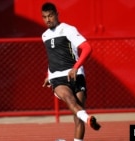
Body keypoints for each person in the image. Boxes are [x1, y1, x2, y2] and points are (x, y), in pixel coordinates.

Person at [41, 2, 101, 141]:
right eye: (44, 17)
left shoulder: (68, 29)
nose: (48, 19)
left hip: (76, 74)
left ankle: (85, 120)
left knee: (77, 117)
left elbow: (87, 48)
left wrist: (75, 67)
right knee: (70, 99)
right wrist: (48, 75)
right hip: (58, 78)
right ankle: (89, 118)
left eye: (50, 16)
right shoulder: (44, 36)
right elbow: (52, 58)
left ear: (57, 15)